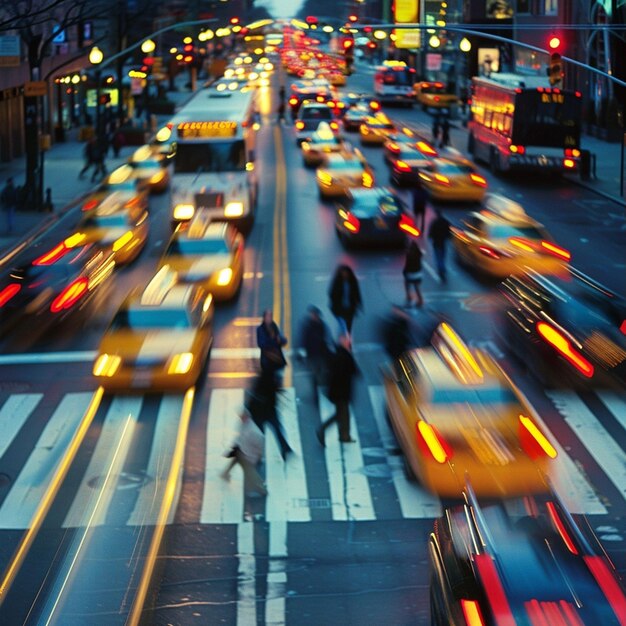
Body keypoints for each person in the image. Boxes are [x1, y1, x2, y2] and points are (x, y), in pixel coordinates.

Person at [316, 334, 359, 446]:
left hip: (341, 391)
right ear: (342, 341)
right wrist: (350, 353)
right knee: (341, 414)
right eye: (347, 339)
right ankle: (322, 430)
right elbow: (353, 370)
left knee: (344, 414)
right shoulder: (342, 355)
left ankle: (344, 435)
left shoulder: (341, 353)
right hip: (341, 392)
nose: (350, 341)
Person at [245, 371, 292, 460]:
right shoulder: (269, 382)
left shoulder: (264, 380)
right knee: (274, 430)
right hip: (265, 411)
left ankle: (284, 448)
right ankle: (284, 448)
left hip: (261, 411)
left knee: (265, 431)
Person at [221, 407, 267, 496]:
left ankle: (261, 489)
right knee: (235, 459)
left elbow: (260, 445)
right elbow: (239, 436)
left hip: (249, 455)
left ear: (247, 417)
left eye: (242, 417)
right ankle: (225, 473)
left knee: (251, 473)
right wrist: (234, 447)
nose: (241, 419)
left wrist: (258, 456)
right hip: (242, 450)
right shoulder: (242, 425)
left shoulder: (254, 431)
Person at [298, 305, 333, 395]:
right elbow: (303, 340)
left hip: (321, 354)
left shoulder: (322, 326)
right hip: (312, 355)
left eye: (314, 314)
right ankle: (316, 391)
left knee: (323, 374)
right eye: (312, 314)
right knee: (314, 374)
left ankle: (324, 389)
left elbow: (328, 338)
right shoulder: (307, 327)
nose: (313, 316)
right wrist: (301, 354)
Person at [328, 264, 362, 336]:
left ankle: (347, 344)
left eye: (346, 273)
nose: (345, 274)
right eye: (343, 273)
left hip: (349, 309)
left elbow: (357, 294)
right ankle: (342, 344)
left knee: (348, 328)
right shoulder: (336, 283)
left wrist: (359, 305)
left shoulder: (352, 283)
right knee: (341, 327)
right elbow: (331, 294)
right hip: (339, 309)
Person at [257, 309, 288, 381]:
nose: (269, 318)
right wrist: (275, 341)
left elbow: (283, 340)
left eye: (270, 316)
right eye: (267, 316)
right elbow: (261, 344)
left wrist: (280, 340)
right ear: (264, 318)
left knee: (278, 382)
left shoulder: (275, 327)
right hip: (267, 362)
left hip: (277, 360)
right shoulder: (260, 329)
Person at [428, 208, 451, 283]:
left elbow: (430, 233)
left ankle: (441, 269)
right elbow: (449, 232)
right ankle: (442, 268)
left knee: (438, 257)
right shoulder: (445, 222)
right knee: (442, 256)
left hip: (436, 242)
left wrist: (431, 237)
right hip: (443, 242)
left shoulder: (434, 222)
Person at [403, 239, 424, 308]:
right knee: (417, 286)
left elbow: (407, 266)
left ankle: (408, 296)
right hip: (418, 274)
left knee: (406, 282)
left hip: (411, 274)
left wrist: (404, 272)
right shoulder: (419, 254)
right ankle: (420, 300)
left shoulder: (409, 255)